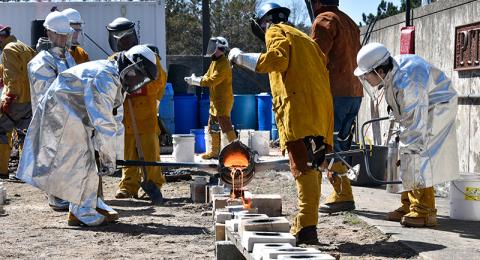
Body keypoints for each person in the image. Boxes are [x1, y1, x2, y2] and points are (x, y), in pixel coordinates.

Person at [16, 45, 159, 226]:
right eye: (137, 75)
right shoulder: (104, 77)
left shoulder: (115, 78)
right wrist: (108, 157)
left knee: (91, 156)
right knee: (82, 158)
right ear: (129, 66)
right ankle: (80, 211)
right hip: (62, 113)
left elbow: (115, 119)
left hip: (74, 113)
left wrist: (114, 155)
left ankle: (91, 203)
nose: (137, 80)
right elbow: (103, 123)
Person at [228, 3, 333, 244]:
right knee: (313, 164)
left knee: (302, 166)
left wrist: (239, 57)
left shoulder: (275, 31)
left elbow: (276, 59)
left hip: (299, 111)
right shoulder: (304, 38)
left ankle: (307, 228)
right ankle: (308, 224)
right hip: (320, 111)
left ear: (262, 23)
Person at [354, 42, 459, 227]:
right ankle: (408, 204)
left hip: (438, 106)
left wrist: (408, 144)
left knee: (417, 152)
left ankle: (424, 210)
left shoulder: (407, 82)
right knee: (402, 151)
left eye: (366, 74)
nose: (365, 78)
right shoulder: (391, 75)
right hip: (423, 104)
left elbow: (414, 128)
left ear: (378, 70)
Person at [309, 0, 363, 213]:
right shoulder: (349, 21)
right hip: (354, 92)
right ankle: (342, 192)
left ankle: (342, 193)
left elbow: (315, 60)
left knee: (328, 144)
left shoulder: (324, 20)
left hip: (334, 92)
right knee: (342, 144)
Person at [106, 18, 167, 204]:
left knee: (150, 154)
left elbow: (160, 82)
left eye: (127, 37)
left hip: (146, 116)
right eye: (120, 38)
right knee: (128, 155)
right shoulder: (113, 61)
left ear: (133, 37)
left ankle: (153, 183)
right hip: (126, 117)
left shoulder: (146, 55)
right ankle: (128, 186)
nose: (124, 41)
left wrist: (143, 89)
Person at [27, 11, 77, 211]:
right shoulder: (41, 62)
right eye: (60, 34)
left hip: (69, 115)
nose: (64, 39)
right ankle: (56, 196)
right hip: (51, 119)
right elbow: (47, 95)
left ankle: (68, 192)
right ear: (49, 33)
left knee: (69, 156)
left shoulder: (68, 58)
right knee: (53, 157)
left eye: (66, 35)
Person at [184, 36, 236, 159]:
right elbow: (207, 76)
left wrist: (196, 81)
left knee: (225, 125)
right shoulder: (214, 62)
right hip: (215, 101)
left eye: (215, 48)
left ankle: (236, 150)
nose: (212, 49)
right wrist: (197, 79)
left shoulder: (224, 64)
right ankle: (214, 152)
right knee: (212, 125)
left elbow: (212, 80)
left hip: (223, 101)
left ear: (221, 49)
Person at [0, 24, 36, 180]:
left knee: (1, 130)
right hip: (29, 99)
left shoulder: (8, 50)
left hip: (16, 100)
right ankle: (25, 172)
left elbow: (12, 76)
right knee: (24, 135)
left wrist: (9, 98)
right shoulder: (25, 47)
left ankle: (2, 170)